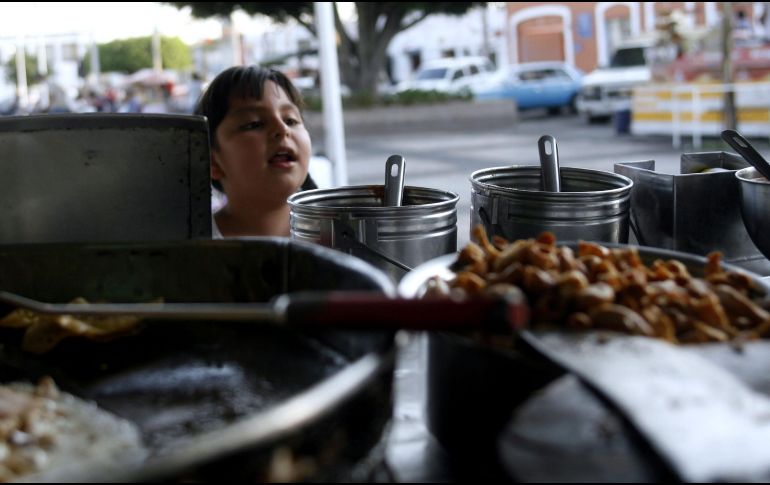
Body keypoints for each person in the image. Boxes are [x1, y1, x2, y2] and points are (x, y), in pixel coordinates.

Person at [195, 66, 317, 238]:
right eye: (254, 124)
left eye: (290, 120)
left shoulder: (340, 236)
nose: (282, 129)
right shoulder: (195, 251)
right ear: (212, 162)